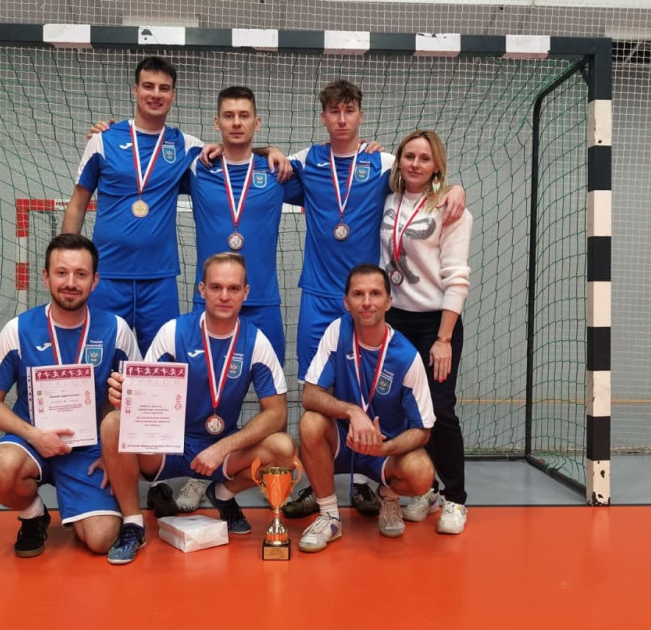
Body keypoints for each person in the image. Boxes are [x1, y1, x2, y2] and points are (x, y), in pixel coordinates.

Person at [280, 80, 464, 517]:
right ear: (323, 117)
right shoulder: (306, 160)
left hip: (369, 300)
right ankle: (315, 483)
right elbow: (258, 170)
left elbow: (426, 183)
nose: (342, 120)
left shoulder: (383, 163)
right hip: (319, 296)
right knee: (317, 394)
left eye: (349, 111)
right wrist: (269, 149)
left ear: (360, 115)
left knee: (374, 388)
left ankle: (366, 481)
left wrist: (455, 188)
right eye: (333, 112)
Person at [97, 252, 295, 564]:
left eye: (233, 288)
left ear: (246, 292)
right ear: (201, 290)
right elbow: (143, 394)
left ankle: (223, 495)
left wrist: (223, 447)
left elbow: (277, 412)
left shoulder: (256, 341)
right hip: (166, 447)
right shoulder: (173, 332)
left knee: (283, 447)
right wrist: (127, 399)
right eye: (216, 287)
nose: (224, 296)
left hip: (220, 448)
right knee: (113, 423)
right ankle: (132, 524)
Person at [172, 86, 303, 513]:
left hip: (262, 301)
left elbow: (334, 169)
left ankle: (236, 481)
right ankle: (197, 475)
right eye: (228, 115)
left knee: (269, 401)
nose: (236, 122)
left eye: (244, 115)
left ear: (257, 123)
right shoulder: (197, 169)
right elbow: (153, 165)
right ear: (216, 123)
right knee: (202, 392)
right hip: (209, 303)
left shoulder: (277, 171)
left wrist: (273, 151)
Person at [0, 233, 140, 558]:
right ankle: (33, 514)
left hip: (88, 448)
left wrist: (114, 454)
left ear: (94, 281)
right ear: (46, 276)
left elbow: (135, 402)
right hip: (32, 440)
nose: (70, 282)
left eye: (81, 274)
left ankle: (83, 502)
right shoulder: (18, 330)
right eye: (61, 272)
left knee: (102, 540)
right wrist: (34, 435)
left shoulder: (116, 329)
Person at [62, 56, 203, 354]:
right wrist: (67, 259)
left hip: (159, 280)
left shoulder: (186, 145)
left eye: (164, 88)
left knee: (162, 365)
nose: (156, 94)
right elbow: (77, 204)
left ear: (173, 95)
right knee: (99, 362)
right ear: (135, 90)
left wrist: (269, 151)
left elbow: (231, 155)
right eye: (148, 86)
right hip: (109, 276)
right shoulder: (104, 140)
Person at [293, 264, 436, 553]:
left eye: (375, 294)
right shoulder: (337, 331)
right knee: (310, 423)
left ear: (388, 301)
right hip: (343, 442)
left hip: (381, 452)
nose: (367, 301)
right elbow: (310, 395)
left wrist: (385, 448)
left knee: (422, 473)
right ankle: (330, 516)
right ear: (347, 302)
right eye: (358, 294)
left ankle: (388, 496)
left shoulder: (407, 356)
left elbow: (423, 430)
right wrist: (352, 412)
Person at [380, 130, 474, 534]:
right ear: (399, 160)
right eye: (408, 156)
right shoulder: (387, 199)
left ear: (437, 165)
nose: (415, 163)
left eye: (424, 157)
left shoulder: (452, 210)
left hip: (435, 323)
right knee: (405, 410)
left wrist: (443, 338)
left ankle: (455, 498)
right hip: (394, 321)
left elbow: (457, 278)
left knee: (439, 409)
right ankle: (426, 490)